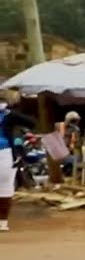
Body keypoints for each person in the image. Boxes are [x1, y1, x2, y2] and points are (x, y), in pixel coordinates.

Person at [0, 99, 35, 232]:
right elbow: (31, 122)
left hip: (6, 153)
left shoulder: (9, 115)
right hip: (5, 153)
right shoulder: (9, 115)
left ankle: (2, 222)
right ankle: (2, 223)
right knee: (5, 189)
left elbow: (30, 123)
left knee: (5, 188)